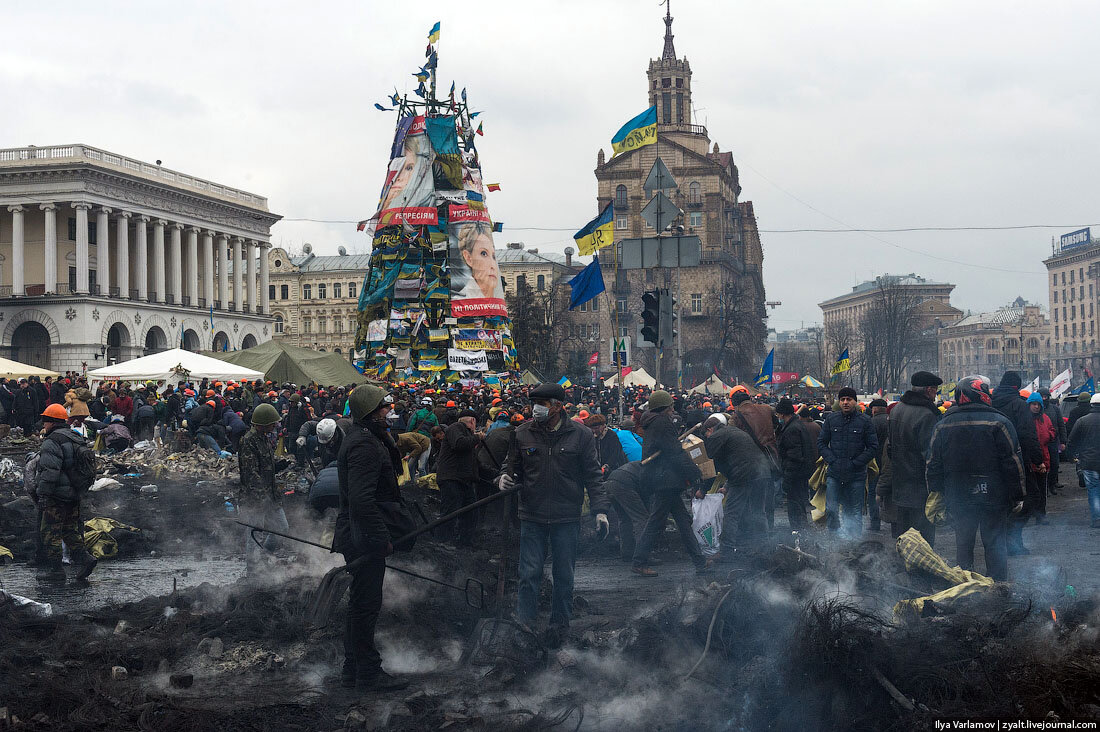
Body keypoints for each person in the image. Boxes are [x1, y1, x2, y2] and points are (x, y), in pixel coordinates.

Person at [499, 382, 609, 648]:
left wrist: (601, 510)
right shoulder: (522, 433)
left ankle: (559, 628)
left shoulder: (581, 435)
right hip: (532, 514)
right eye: (533, 403)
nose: (534, 409)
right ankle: (524, 627)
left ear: (558, 407)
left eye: (542, 404)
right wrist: (503, 476)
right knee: (529, 573)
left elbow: (593, 476)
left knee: (564, 575)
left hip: (566, 517)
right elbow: (511, 464)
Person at [333, 385, 408, 691]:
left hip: (358, 531)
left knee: (360, 604)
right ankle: (367, 673)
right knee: (365, 605)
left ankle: (353, 670)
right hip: (361, 534)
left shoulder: (368, 438)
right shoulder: (364, 445)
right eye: (382, 408)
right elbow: (362, 501)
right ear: (369, 412)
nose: (388, 411)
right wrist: (381, 539)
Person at [926, 376, 1025, 581]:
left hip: (958, 495)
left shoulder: (943, 425)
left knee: (963, 544)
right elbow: (1013, 463)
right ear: (982, 395)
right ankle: (998, 587)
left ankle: (964, 586)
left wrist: (936, 493)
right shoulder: (999, 422)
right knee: (995, 543)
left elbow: (933, 464)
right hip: (993, 495)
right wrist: (1017, 496)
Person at [631, 390, 710, 576]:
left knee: (683, 521)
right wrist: (695, 472)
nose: (673, 409)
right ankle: (639, 561)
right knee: (656, 521)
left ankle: (699, 561)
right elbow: (675, 452)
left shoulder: (651, 422)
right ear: (665, 408)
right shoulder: (662, 423)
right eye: (671, 406)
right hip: (665, 480)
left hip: (664, 479)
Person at [36, 404, 98, 578]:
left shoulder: (52, 441)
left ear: (52, 422)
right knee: (70, 529)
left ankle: (56, 570)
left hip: (57, 495)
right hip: (75, 492)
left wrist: (44, 494)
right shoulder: (74, 436)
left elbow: (50, 471)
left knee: (50, 530)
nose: (43, 424)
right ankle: (85, 558)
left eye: (45, 421)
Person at [885, 371, 942, 545]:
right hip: (920, 489)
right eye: (935, 390)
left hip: (900, 485)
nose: (936, 394)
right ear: (929, 390)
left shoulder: (896, 410)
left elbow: (889, 448)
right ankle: (919, 572)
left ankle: (904, 570)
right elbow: (931, 455)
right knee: (922, 541)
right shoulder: (927, 415)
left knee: (905, 538)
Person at [991, 371, 1043, 555]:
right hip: (1017, 460)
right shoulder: (1019, 405)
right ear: (1016, 386)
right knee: (1030, 497)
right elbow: (1028, 435)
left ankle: (1002, 543)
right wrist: (1038, 460)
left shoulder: (990, 402)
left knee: (1003, 502)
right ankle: (1012, 541)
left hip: (992, 463)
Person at [817, 386, 878, 539]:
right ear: (839, 401)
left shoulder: (865, 421)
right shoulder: (831, 419)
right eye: (843, 399)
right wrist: (832, 460)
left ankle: (854, 542)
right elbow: (821, 443)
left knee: (854, 511)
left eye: (849, 399)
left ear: (855, 402)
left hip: (856, 474)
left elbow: (873, 447)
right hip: (834, 473)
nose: (845, 402)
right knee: (831, 509)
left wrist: (856, 463)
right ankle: (834, 538)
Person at [236, 403, 289, 575]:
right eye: (273, 423)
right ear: (263, 423)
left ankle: (264, 556)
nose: (275, 426)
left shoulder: (264, 438)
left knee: (282, 528)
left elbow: (265, 466)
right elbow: (250, 473)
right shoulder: (248, 441)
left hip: (270, 494)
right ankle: (253, 571)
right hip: (255, 497)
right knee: (254, 533)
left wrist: (278, 466)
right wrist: (262, 497)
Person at [435, 410, 484, 546]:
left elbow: (475, 462)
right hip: (452, 478)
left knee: (471, 512)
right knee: (450, 511)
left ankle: (464, 542)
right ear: (473, 421)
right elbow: (459, 444)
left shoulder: (465, 434)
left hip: (463, 479)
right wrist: (477, 437)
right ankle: (443, 543)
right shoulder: (455, 428)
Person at [775, 398, 816, 529]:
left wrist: (787, 479)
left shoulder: (792, 429)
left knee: (795, 509)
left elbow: (794, 457)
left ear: (782, 414)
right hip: (801, 474)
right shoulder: (797, 425)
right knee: (799, 507)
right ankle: (802, 534)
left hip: (795, 476)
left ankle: (800, 536)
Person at [604, 461, 652, 562]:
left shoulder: (645, 463)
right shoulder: (657, 470)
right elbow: (647, 495)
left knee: (624, 518)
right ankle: (643, 556)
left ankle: (627, 553)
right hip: (624, 483)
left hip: (611, 482)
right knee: (642, 519)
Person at [1067, 393, 1100, 529]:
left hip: (1089, 462)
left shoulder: (1082, 421)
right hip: (1090, 461)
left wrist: (1070, 457)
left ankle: (1097, 519)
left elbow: (1071, 441)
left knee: (1093, 490)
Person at [1027, 391, 1054, 524]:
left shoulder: (1045, 418)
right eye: (1033, 404)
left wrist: (1049, 436)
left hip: (1043, 457)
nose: (1036, 407)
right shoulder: (1025, 419)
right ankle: (1031, 513)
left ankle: (1040, 515)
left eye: (1038, 404)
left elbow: (1053, 431)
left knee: (1042, 490)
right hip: (1030, 460)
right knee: (1032, 491)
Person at [866, 398, 889, 531]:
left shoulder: (871, 422)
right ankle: (893, 522)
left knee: (873, 493)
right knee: (889, 492)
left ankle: (875, 523)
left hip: (875, 463)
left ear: (874, 409)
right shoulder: (891, 420)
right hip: (890, 463)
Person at [1040, 388, 1066, 500]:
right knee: (1042, 466)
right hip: (1040, 443)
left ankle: (1052, 484)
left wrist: (1063, 441)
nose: (1044, 399)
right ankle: (1044, 487)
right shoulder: (1036, 410)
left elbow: (1061, 425)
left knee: (1054, 464)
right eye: (1042, 396)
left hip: (1053, 442)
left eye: (1046, 397)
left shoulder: (1055, 409)